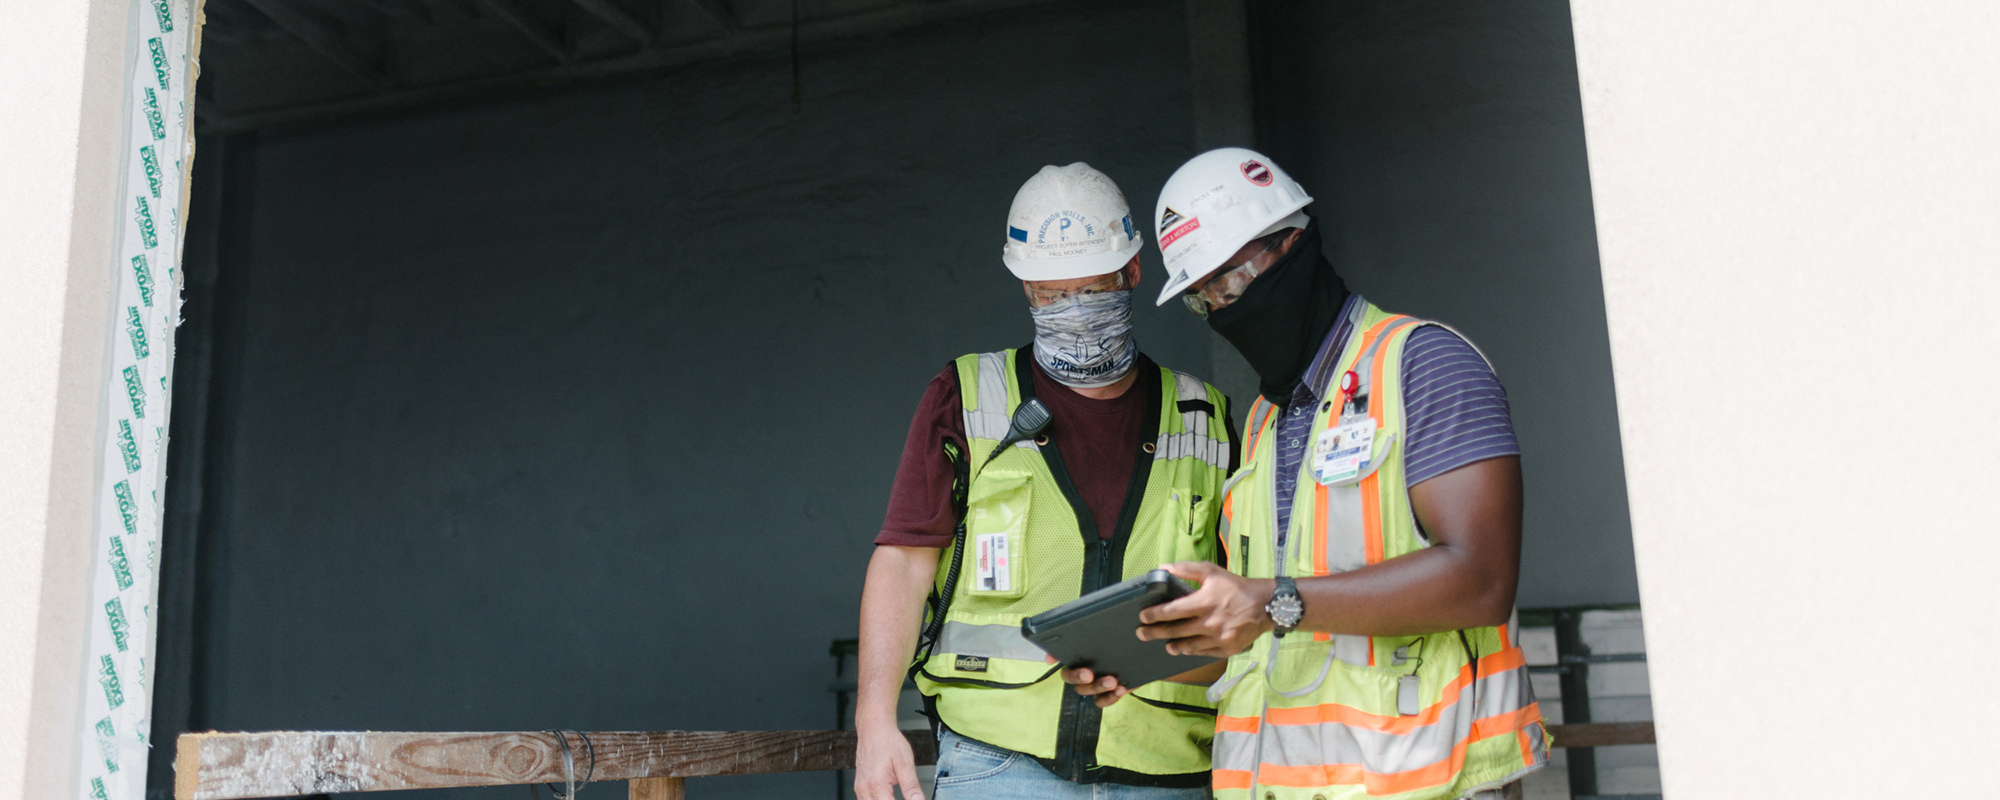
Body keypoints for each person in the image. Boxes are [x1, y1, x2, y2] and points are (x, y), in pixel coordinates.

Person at [1066, 148, 1549, 800]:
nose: (1223, 304)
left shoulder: (1423, 365)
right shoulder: (1266, 421)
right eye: (1204, 296)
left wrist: (1265, 601)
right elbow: (1268, 636)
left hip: (1426, 778)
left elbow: (1481, 579)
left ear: (1292, 243)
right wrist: (1144, 657)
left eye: (1231, 280)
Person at [853, 163, 1237, 800]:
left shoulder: (1208, 417)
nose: (1074, 312)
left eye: (1092, 288)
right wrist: (873, 723)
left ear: (1134, 271)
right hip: (997, 764)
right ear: (1023, 287)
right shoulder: (968, 396)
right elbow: (903, 564)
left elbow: (1240, 603)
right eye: (1050, 296)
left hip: (1165, 767)